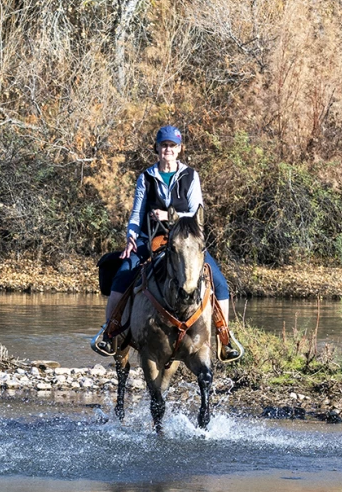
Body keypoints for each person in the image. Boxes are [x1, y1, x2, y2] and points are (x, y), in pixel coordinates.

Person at [91, 124, 243, 359]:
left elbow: (196, 212)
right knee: (122, 277)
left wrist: (169, 216)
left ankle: (225, 340)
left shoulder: (191, 176)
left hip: (185, 242)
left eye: (172, 146)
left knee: (220, 284)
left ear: (179, 149)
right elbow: (136, 213)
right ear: (157, 149)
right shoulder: (146, 177)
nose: (168, 150)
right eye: (164, 146)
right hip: (150, 238)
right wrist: (131, 236)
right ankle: (109, 334)